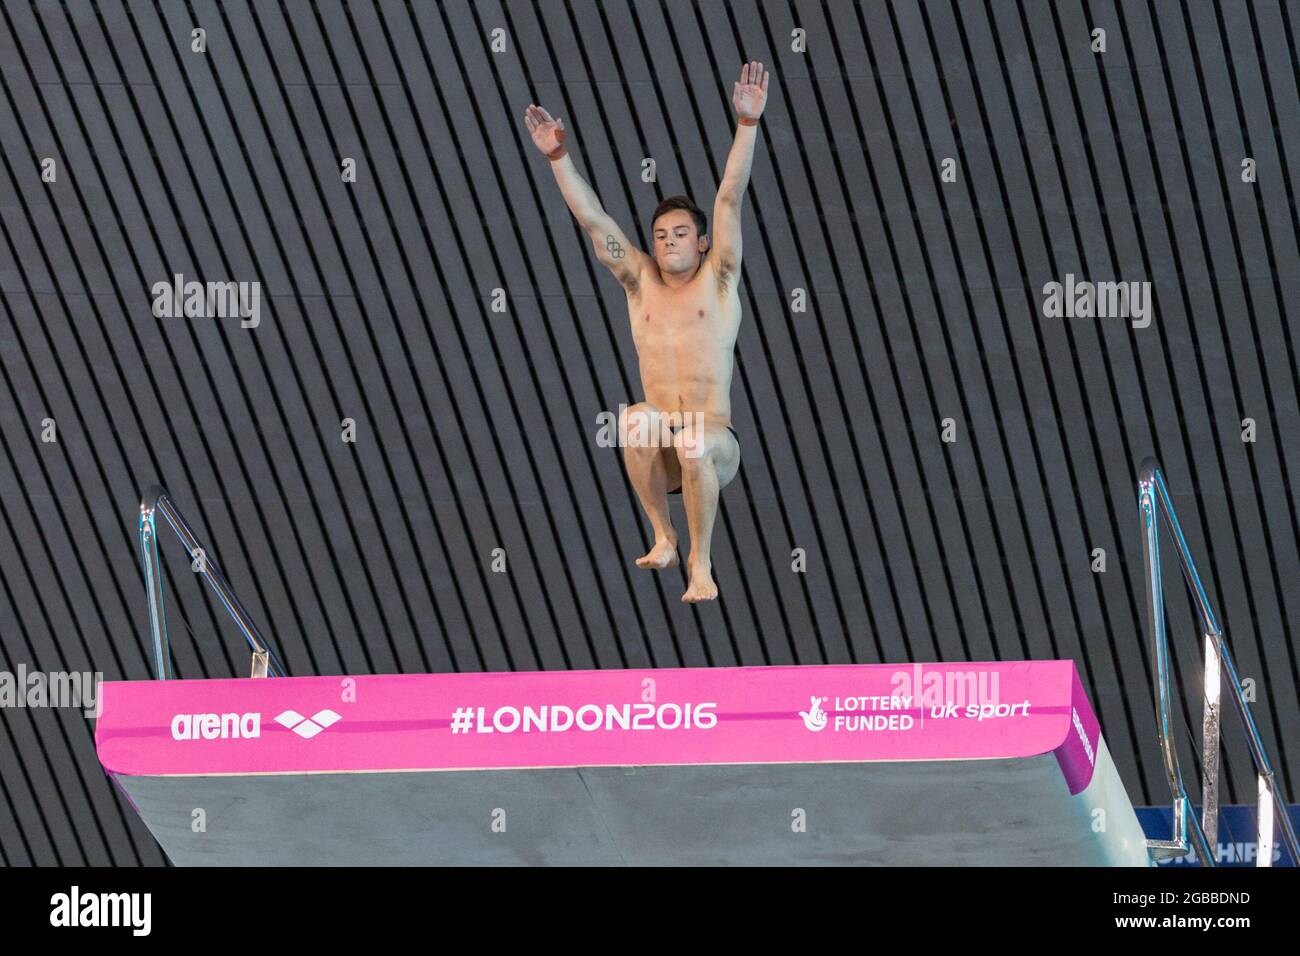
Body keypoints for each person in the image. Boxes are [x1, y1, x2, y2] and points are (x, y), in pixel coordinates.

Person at [525, 62, 770, 602]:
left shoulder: (720, 280)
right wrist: (558, 156)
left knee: (693, 442)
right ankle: (663, 532)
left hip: (713, 444)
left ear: (702, 243)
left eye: (681, 234)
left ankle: (699, 564)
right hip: (664, 447)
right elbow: (594, 220)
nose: (668, 243)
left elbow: (729, 197)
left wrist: (747, 124)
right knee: (633, 420)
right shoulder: (638, 282)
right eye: (660, 235)